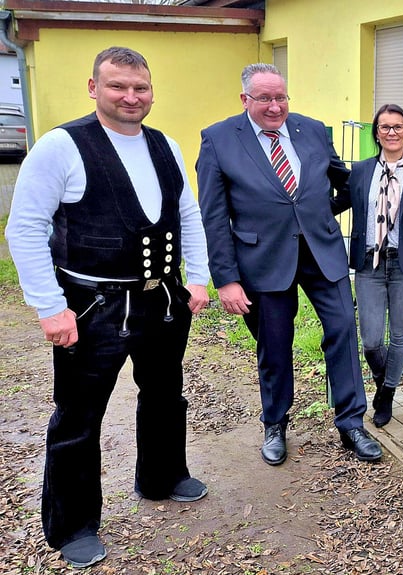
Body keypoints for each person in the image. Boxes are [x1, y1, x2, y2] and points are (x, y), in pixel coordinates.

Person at [4, 46, 210, 569]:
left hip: (162, 299)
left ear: (151, 91)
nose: (131, 96)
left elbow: (188, 214)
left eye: (140, 87)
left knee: (165, 393)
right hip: (93, 305)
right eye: (118, 86)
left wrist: (198, 278)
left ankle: (162, 476)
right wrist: (50, 307)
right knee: (78, 414)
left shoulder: (164, 144)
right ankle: (72, 525)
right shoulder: (61, 146)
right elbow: (24, 228)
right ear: (94, 88)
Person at [197, 63, 382, 464]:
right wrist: (226, 279)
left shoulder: (310, 129)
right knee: (275, 344)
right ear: (245, 99)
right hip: (263, 260)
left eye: (280, 97)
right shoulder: (218, 139)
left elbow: (344, 182)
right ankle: (275, 423)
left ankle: (351, 423)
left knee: (343, 330)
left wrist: (322, 213)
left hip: (322, 253)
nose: (275, 106)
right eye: (264, 98)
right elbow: (213, 216)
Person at [348, 104, 403, 428]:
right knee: (371, 340)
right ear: (377, 134)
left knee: (400, 335)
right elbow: (340, 202)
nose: (392, 133)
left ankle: (387, 394)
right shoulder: (361, 171)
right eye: (385, 127)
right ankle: (383, 378)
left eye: (398, 127)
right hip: (369, 264)